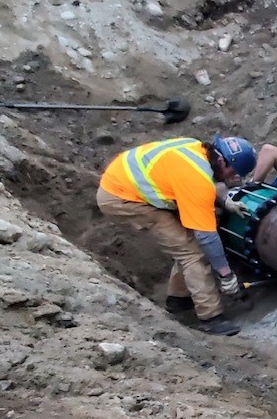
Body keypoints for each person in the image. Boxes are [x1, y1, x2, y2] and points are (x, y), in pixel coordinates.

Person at [96, 135, 257, 336]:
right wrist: (226, 276)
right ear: (222, 161)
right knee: (192, 252)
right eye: (233, 172)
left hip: (124, 181)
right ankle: (210, 318)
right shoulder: (196, 179)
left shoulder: (196, 149)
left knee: (186, 240)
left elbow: (193, 181)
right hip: (122, 198)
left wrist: (224, 202)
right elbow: (207, 236)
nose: (232, 178)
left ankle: (178, 300)